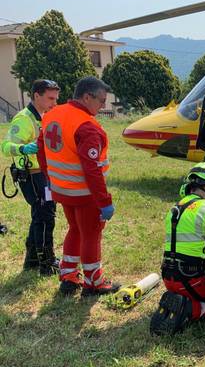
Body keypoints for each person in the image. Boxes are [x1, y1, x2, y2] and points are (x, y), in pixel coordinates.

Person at [37, 76, 119, 296]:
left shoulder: (51, 115)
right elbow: (92, 169)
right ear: (86, 97)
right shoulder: (87, 126)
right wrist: (104, 202)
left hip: (61, 191)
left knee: (75, 229)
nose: (103, 106)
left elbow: (40, 149)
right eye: (101, 101)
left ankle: (69, 275)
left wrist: (51, 179)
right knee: (91, 235)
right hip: (85, 195)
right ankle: (94, 282)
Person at [150, 163, 205, 336]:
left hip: (168, 277)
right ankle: (190, 309)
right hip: (193, 279)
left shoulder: (175, 207)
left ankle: (178, 301)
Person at [1, 79, 60, 275]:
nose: (54, 102)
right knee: (45, 217)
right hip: (33, 176)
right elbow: (5, 147)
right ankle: (47, 263)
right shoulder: (24, 119)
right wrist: (24, 148)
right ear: (36, 95)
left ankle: (33, 260)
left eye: (56, 98)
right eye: (50, 98)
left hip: (44, 174)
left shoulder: (45, 116)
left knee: (40, 215)